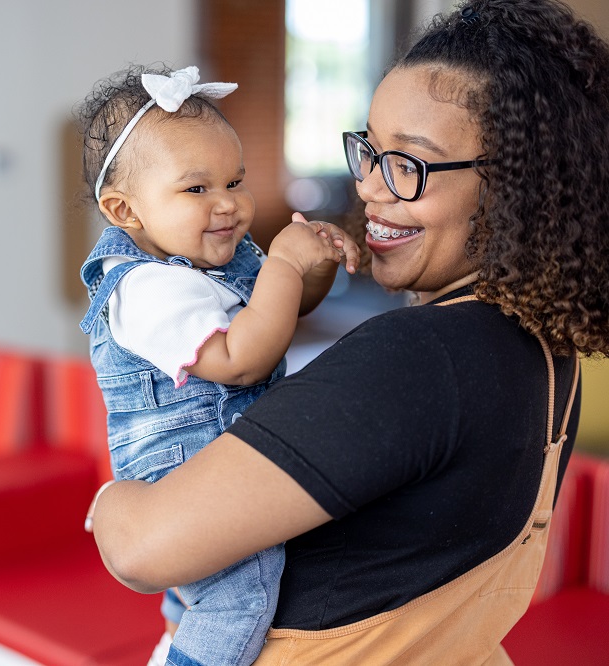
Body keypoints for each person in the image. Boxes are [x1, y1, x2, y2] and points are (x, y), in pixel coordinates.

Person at [85, 1, 609, 664]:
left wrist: (112, 500)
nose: (369, 188)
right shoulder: (539, 348)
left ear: (518, 189)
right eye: (370, 152)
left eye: (409, 165)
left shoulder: (419, 357)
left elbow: (142, 550)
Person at [75, 64, 360, 666]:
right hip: (184, 479)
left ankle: (177, 638)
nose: (228, 204)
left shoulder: (210, 258)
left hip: (218, 466)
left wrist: (312, 268)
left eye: (236, 180)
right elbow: (241, 361)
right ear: (125, 210)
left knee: (210, 593)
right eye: (197, 190)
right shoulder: (146, 290)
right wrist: (282, 265)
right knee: (239, 601)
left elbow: (278, 314)